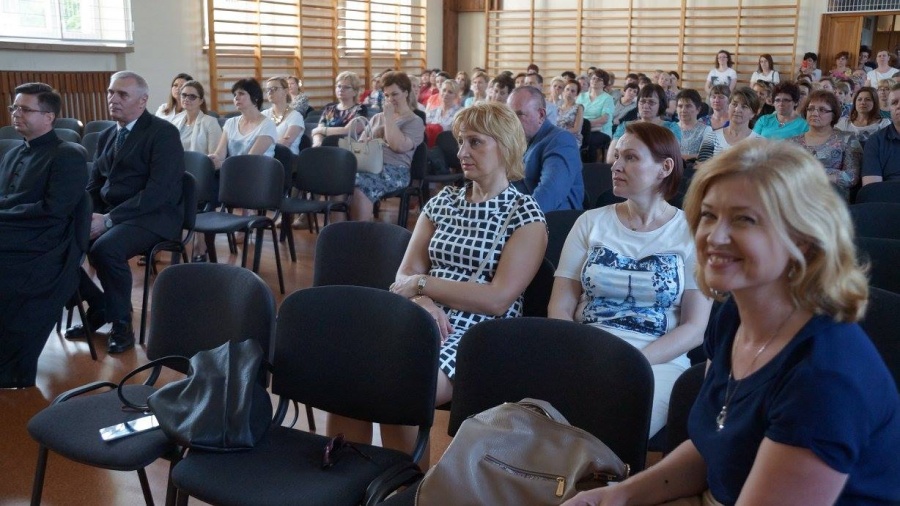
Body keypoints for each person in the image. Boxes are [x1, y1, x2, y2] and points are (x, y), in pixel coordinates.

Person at [563, 139, 900, 506]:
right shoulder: (734, 316)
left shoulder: (825, 376)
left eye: (744, 219)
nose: (714, 237)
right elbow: (713, 449)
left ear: (803, 239)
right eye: (709, 215)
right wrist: (617, 495)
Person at [330, 102, 547, 462]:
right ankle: (348, 477)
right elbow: (404, 275)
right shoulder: (442, 202)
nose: (461, 152)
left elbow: (497, 299)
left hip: (480, 332)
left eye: (475, 142)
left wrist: (423, 286)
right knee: (348, 376)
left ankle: (403, 484)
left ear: (505, 146)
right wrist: (421, 300)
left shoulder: (524, 214)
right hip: (423, 312)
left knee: (398, 386)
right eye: (461, 141)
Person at [549, 122, 712, 437]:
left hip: (657, 362)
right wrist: (578, 353)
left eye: (631, 157)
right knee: (545, 423)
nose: (616, 165)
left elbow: (694, 328)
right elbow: (560, 305)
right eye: (618, 155)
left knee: (610, 426)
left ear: (665, 168)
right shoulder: (590, 222)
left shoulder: (691, 232)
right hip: (585, 350)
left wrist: (630, 361)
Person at [66, 71, 185, 354]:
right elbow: (94, 185)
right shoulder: (108, 134)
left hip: (153, 216)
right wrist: (85, 217)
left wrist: (108, 220)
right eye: (111, 92)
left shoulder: (163, 133)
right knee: (57, 239)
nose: (113, 99)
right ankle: (99, 305)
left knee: (105, 249)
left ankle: (121, 324)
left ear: (142, 101)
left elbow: (158, 192)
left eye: (122, 94)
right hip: (116, 214)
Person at [0, 83, 88, 388]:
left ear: (49, 117)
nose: (16, 113)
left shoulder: (68, 154)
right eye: (14, 107)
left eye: (25, 109)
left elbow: (54, 210)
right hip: (14, 233)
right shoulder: (13, 152)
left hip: (44, 242)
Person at [348, 71, 424, 222]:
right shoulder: (377, 118)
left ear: (406, 93)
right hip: (370, 165)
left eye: (394, 94)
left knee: (359, 183)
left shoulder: (414, 121)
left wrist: (389, 118)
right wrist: (369, 141)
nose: (390, 99)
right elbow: (360, 145)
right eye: (387, 95)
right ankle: (338, 230)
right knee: (340, 179)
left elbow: (397, 146)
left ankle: (358, 231)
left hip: (396, 171)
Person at [508, 86, 584, 211]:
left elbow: (548, 195)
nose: (512, 122)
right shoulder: (519, 141)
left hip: (553, 219)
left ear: (541, 115)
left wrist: (510, 219)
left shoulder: (561, 140)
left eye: (519, 115)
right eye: (510, 116)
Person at [788, 90, 861, 200]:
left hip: (830, 197)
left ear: (833, 115)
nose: (814, 113)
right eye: (811, 109)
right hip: (797, 195)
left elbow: (852, 176)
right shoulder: (792, 142)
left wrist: (821, 178)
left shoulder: (847, 139)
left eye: (822, 110)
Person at [607, 84, 682, 163]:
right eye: (642, 102)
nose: (645, 106)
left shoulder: (671, 128)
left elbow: (672, 157)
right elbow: (611, 158)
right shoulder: (626, 126)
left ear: (661, 104)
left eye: (651, 102)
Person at [698, 87, 761, 162]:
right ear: (728, 106)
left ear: (753, 114)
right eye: (734, 104)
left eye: (744, 107)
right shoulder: (711, 137)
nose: (737, 109)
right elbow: (701, 166)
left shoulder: (760, 142)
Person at [310, 71, 368, 147]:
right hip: (325, 146)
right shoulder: (329, 108)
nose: (341, 89)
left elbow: (348, 131)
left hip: (347, 148)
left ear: (355, 92)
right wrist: (317, 143)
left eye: (346, 87)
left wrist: (323, 130)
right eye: (339, 86)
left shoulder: (360, 109)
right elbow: (318, 132)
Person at [862, 83, 900, 185]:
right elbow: (872, 188)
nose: (899, 106)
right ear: (889, 109)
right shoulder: (875, 142)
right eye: (894, 103)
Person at [171, 80, 222, 154]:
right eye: (184, 95)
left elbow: (214, 155)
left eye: (192, 97)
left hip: (201, 161)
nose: (186, 99)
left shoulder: (211, 123)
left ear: (201, 101)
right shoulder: (175, 120)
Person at [261, 76, 306, 155]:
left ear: (286, 91)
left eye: (274, 88)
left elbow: (284, 144)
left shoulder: (296, 117)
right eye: (268, 90)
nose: (270, 92)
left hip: (286, 158)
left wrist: (262, 143)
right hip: (263, 156)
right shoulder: (263, 114)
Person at [676, 89, 712, 163]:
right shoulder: (670, 128)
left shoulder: (707, 130)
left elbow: (704, 156)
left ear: (698, 109)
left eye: (688, 106)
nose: (683, 110)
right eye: (680, 106)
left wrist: (678, 157)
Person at [555, 78, 585, 147]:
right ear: (564, 90)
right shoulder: (557, 106)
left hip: (571, 138)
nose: (569, 92)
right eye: (567, 89)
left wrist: (559, 133)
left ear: (576, 94)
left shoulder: (579, 107)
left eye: (573, 91)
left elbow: (576, 129)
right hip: (555, 136)